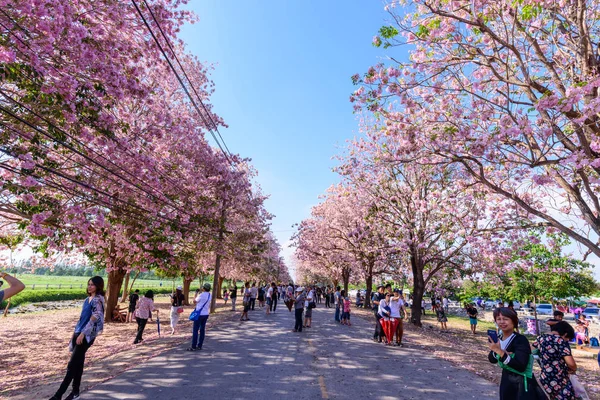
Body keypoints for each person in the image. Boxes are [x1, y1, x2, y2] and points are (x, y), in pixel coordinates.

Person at [49, 276, 105, 400]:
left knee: (71, 365)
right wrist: (74, 333)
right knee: (78, 365)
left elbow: (96, 316)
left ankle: (58, 395)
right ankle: (75, 393)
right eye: (89, 284)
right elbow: (81, 318)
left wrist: (83, 333)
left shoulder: (98, 300)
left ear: (98, 286)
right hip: (78, 333)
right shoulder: (87, 299)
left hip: (86, 335)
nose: (89, 286)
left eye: (92, 285)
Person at [487, 307, 539, 399]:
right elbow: (492, 360)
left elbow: (521, 366)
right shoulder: (499, 337)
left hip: (521, 384)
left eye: (506, 319)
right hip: (507, 381)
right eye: (498, 319)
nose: (502, 322)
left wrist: (500, 352)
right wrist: (496, 351)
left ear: (514, 321)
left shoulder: (520, 340)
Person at [532, 321, 577, 400]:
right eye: (568, 339)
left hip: (545, 376)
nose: (567, 341)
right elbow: (571, 363)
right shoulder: (560, 341)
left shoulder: (541, 338)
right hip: (559, 377)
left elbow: (531, 350)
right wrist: (573, 369)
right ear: (565, 334)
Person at [188, 283, 211, 351]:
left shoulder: (201, 295)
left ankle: (193, 346)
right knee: (202, 330)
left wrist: (196, 293)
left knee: (195, 330)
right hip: (206, 314)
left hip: (199, 314)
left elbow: (194, 301)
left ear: (204, 288)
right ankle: (200, 345)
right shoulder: (210, 295)